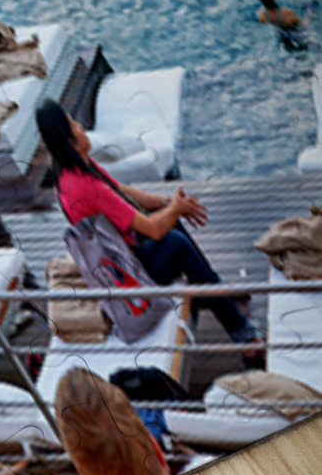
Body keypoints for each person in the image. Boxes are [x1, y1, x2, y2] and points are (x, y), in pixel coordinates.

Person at [35, 100, 265, 367]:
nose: (80, 127)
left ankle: (213, 290)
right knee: (175, 241)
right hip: (128, 272)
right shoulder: (84, 186)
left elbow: (122, 191)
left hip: (122, 250)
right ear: (69, 140)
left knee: (172, 225)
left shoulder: (72, 170)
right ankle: (243, 337)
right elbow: (154, 230)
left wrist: (168, 204)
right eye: (73, 124)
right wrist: (175, 209)